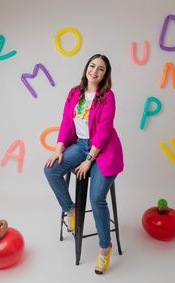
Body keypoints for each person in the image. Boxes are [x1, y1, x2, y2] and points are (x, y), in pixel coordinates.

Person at [44, 54, 124, 275]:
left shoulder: (108, 96)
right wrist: (59, 148)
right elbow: (66, 122)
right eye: (92, 66)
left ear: (105, 74)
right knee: (50, 169)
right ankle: (70, 210)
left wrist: (89, 161)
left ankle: (104, 247)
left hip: (104, 150)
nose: (95, 71)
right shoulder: (74, 93)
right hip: (80, 145)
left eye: (100, 68)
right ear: (86, 68)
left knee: (97, 198)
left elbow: (104, 129)